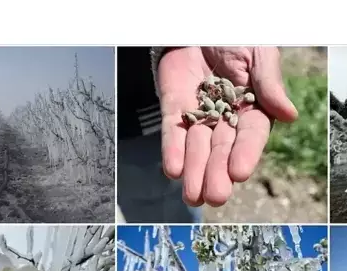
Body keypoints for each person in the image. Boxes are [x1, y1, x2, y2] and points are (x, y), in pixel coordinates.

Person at [116, 46, 298, 223]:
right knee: (140, 192)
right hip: (123, 118)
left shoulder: (218, 99)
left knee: (161, 195)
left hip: (147, 110)